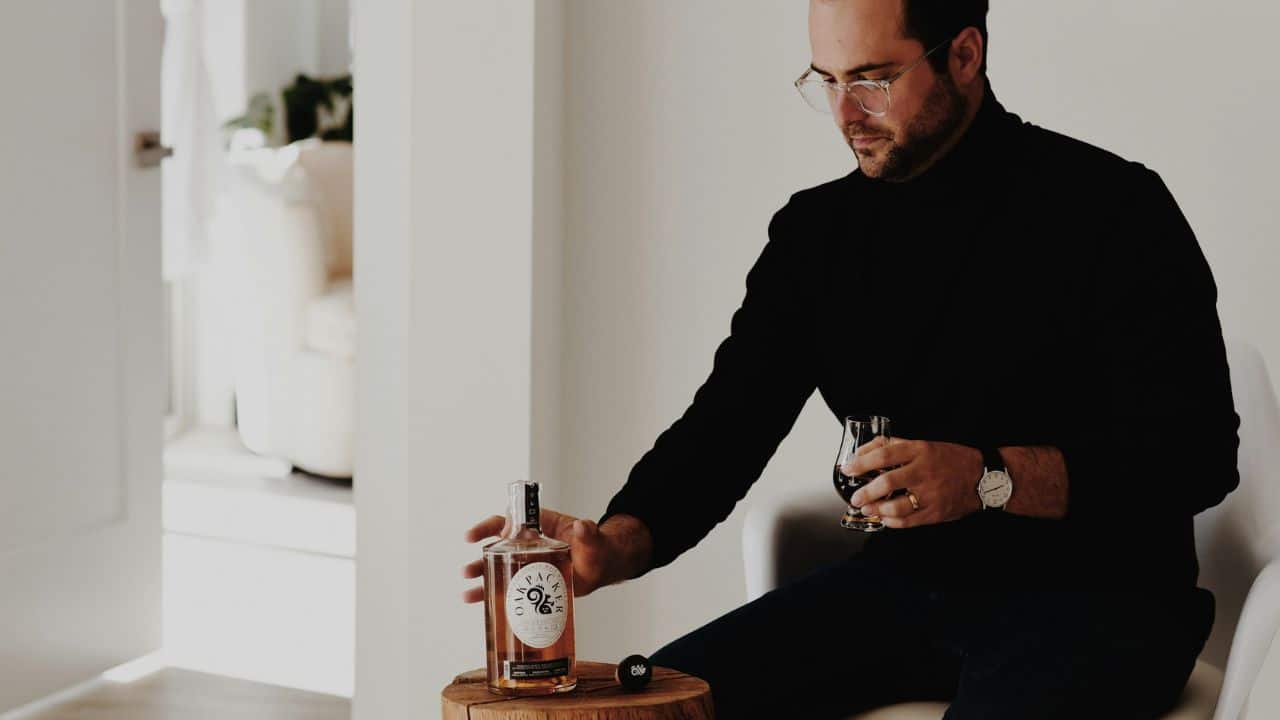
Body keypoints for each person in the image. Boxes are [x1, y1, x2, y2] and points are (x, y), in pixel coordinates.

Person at [461, 0, 1241, 716]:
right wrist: (615, 543)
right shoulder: (816, 236)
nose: (844, 114)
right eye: (826, 80)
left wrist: (985, 478)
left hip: (1106, 597)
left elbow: (1198, 455)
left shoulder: (1114, 208)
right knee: (657, 712)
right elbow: (726, 427)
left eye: (872, 80)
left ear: (964, 55)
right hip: (903, 586)